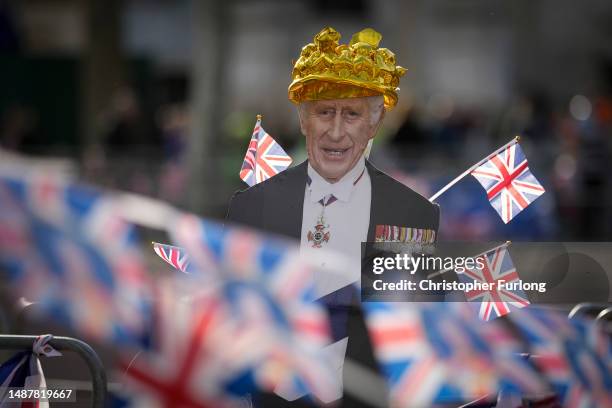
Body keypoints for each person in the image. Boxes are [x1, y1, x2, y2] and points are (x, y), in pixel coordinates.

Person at [226, 27, 439, 407]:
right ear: (304, 120)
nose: (336, 132)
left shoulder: (413, 213)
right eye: (325, 112)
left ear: (375, 124)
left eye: (352, 114)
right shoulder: (250, 207)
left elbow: (407, 329)